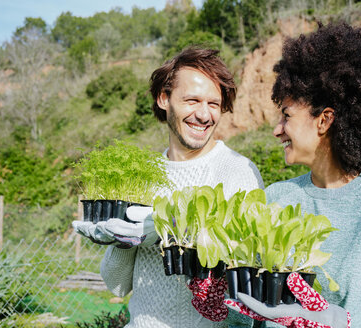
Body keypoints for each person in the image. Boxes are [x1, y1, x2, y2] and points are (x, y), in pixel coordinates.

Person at [226, 23, 361, 328]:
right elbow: (252, 316)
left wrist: (341, 322)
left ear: (324, 121)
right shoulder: (276, 197)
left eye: (286, 116)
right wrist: (225, 305)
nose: (277, 130)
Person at [73, 48, 264, 328]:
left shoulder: (237, 171)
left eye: (213, 103)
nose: (203, 114)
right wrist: (122, 241)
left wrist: (176, 232)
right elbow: (116, 286)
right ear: (164, 99)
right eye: (192, 100)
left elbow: (249, 283)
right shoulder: (145, 177)